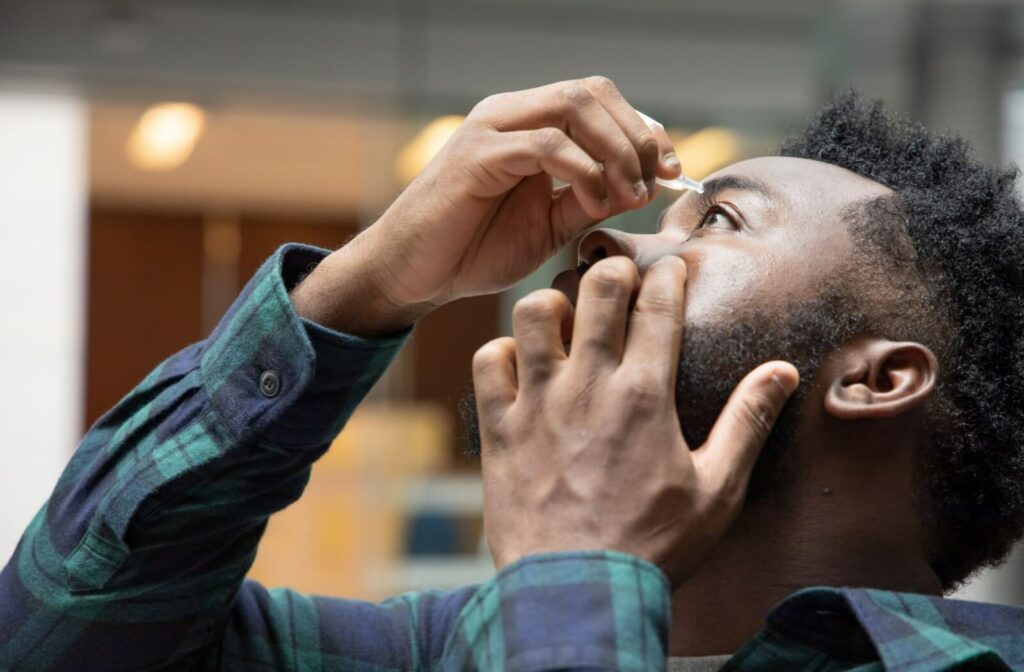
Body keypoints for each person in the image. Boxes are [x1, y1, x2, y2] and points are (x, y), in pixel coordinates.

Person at [0, 76, 1021, 671]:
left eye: (716, 221)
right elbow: (54, 641)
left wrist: (576, 567)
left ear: (877, 378)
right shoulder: (442, 649)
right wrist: (363, 288)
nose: (606, 246)